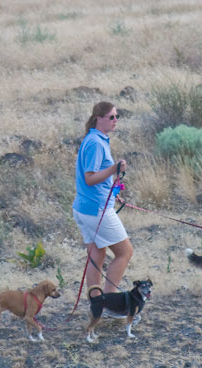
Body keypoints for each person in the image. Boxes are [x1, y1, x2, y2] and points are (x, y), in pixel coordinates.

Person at [72, 101, 134, 298]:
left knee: (97, 256)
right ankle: (110, 302)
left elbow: (98, 179)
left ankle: (97, 304)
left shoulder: (96, 139)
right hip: (96, 210)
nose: (115, 121)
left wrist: (114, 192)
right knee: (125, 252)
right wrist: (114, 168)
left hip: (86, 207)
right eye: (112, 117)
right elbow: (89, 178)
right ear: (99, 119)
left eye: (117, 117)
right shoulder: (96, 143)